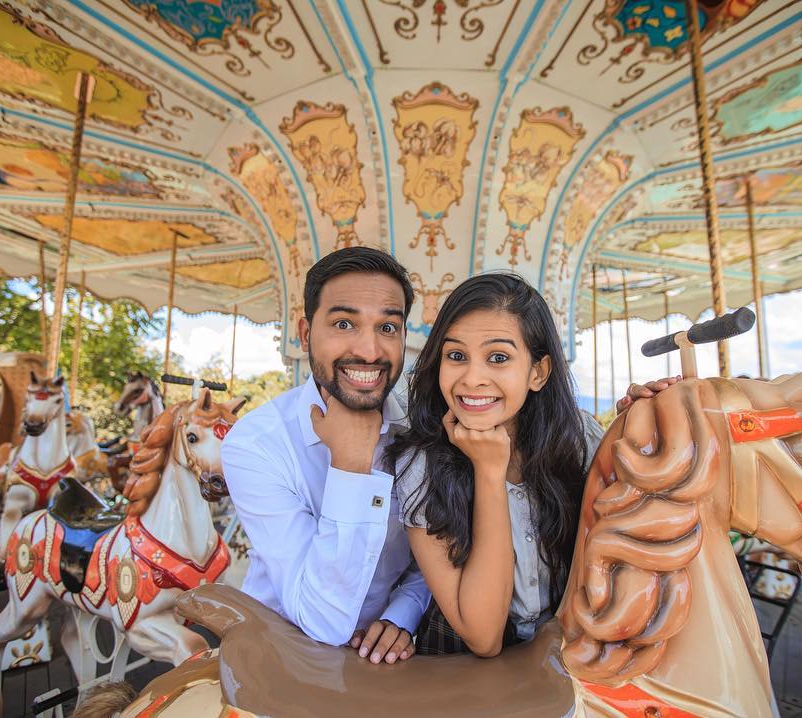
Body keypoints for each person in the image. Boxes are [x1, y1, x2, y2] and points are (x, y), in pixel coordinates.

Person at [388, 273, 676, 656]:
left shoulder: (579, 440)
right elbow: (483, 636)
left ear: (537, 373)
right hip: (463, 675)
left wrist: (647, 429)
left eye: (498, 358)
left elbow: (648, 525)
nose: (472, 378)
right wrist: (489, 472)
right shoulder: (420, 466)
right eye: (456, 356)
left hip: (570, 660)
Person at [222, 247, 429, 665]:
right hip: (279, 656)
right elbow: (323, 621)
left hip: (387, 664)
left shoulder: (423, 431)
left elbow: (435, 552)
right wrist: (351, 467)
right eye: (344, 323)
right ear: (305, 333)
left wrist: (403, 613)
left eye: (387, 327)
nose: (369, 351)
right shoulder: (257, 444)